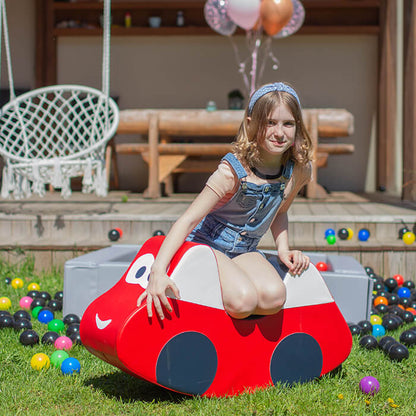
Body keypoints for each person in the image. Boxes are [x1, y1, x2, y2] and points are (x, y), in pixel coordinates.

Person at [138, 82, 313, 320]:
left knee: (274, 297)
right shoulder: (232, 171)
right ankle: (198, 305)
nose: (279, 132)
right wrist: (157, 271)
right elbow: (189, 219)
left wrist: (283, 249)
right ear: (251, 125)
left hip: (244, 250)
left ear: (298, 127)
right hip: (204, 247)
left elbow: (280, 211)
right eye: (270, 122)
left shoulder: (298, 170)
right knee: (243, 301)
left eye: (288, 124)